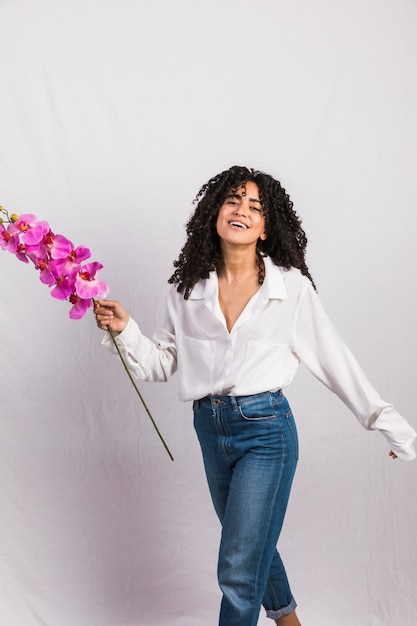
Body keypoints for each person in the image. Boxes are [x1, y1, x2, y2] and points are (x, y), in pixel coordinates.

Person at [94, 165, 416, 626]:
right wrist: (126, 330)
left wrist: (389, 424)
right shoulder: (187, 290)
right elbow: (163, 362)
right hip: (210, 428)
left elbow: (337, 363)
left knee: (238, 566)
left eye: (255, 206)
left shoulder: (291, 291)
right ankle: (290, 623)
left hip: (267, 433)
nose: (241, 210)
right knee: (251, 546)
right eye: (232, 200)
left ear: (267, 227)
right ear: (213, 213)